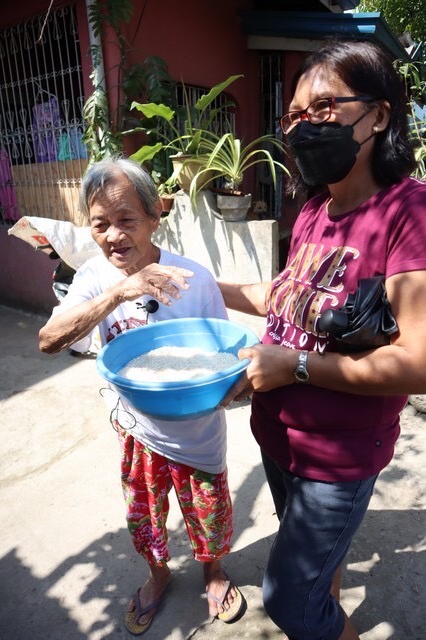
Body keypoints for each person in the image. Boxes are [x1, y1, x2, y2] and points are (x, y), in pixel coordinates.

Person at [218, 39, 426, 640]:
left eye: (325, 108)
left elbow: (419, 362)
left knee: (290, 602)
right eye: (296, 116)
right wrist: (214, 286)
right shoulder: (313, 211)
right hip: (278, 440)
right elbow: (286, 296)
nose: (307, 127)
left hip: (336, 460)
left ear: (379, 114)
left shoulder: (407, 213)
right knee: (321, 577)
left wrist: (296, 368)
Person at [39, 157, 245, 635]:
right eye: (101, 224)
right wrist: (118, 293)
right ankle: (158, 575)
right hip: (135, 429)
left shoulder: (193, 278)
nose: (113, 235)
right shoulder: (93, 278)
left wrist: (231, 389)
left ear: (156, 216)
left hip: (197, 428)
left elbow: (226, 349)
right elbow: (49, 341)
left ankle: (213, 573)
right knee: (145, 513)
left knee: (208, 508)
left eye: (127, 220)